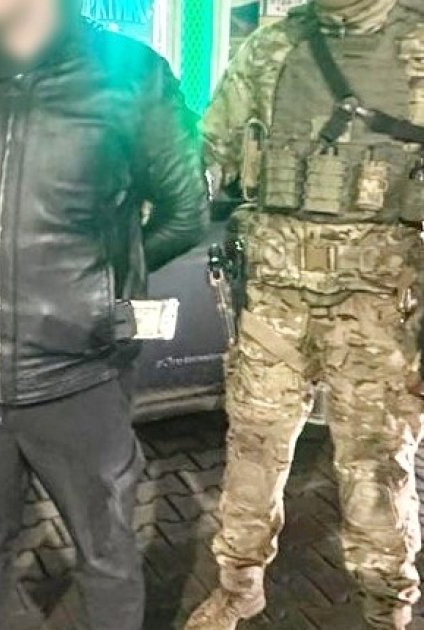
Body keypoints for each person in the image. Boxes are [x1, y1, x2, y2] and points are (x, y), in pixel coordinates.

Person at [0, 0, 208, 628]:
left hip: (78, 380)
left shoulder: (130, 74)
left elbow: (185, 213)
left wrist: (99, 286)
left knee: (106, 557)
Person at [188, 1, 424, 628]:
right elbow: (208, 146)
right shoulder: (274, 45)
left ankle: (387, 608)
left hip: (376, 309)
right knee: (252, 450)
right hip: (277, 301)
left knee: (376, 467)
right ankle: (239, 586)